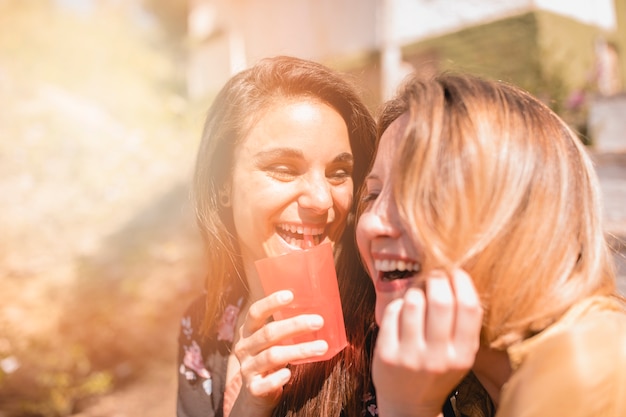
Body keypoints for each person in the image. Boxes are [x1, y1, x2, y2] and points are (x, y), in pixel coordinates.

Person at [356, 72, 626, 417]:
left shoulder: (584, 364)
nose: (371, 222)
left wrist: (408, 408)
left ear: (518, 212)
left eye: (419, 194)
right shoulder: (467, 376)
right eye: (373, 194)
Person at [176, 55, 378, 417]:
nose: (321, 200)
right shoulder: (201, 327)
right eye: (284, 169)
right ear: (223, 184)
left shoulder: (383, 327)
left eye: (338, 172)